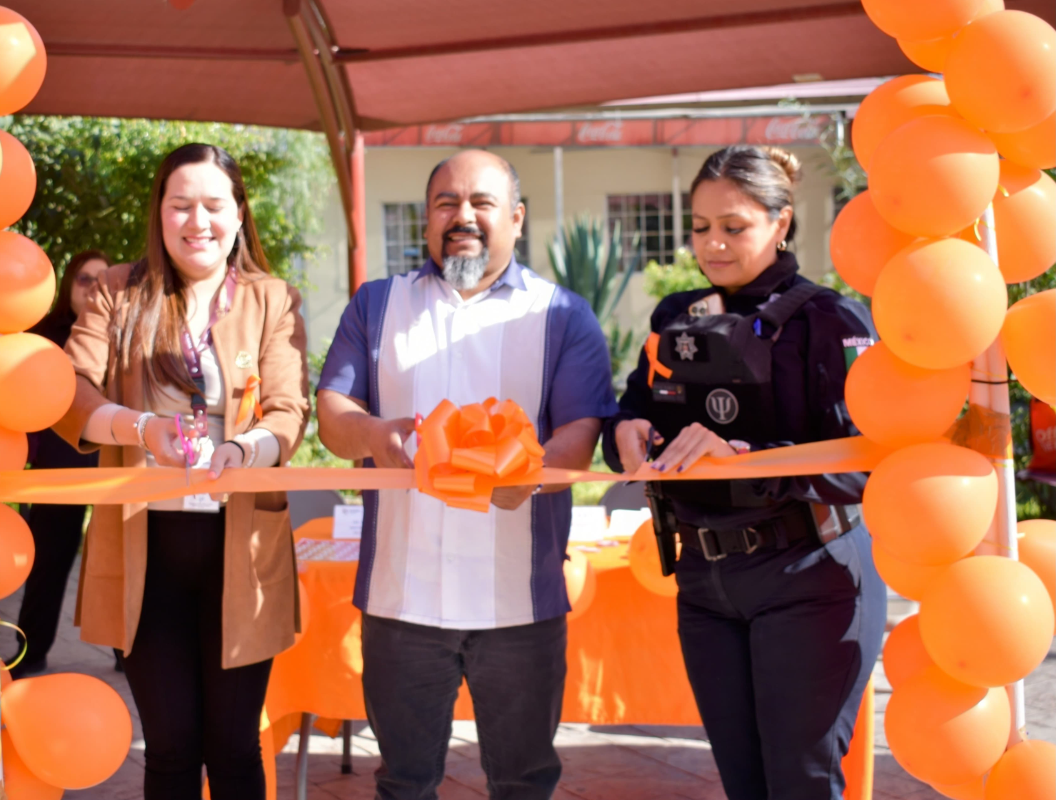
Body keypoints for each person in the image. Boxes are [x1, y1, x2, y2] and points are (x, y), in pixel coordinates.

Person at [316, 149, 617, 800]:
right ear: (426, 221)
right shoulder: (377, 305)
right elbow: (333, 414)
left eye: (481, 202)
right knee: (404, 783)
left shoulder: (563, 314)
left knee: (523, 783)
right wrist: (374, 433)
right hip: (401, 601)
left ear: (515, 217)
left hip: (520, 604)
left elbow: (580, 434)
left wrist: (531, 476)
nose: (463, 216)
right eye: (446, 203)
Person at [603, 145, 886, 800]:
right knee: (745, 786)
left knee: (801, 786)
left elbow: (867, 462)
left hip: (811, 576)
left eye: (734, 227)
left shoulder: (832, 321)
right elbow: (637, 405)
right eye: (700, 228)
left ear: (781, 223)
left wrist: (750, 457)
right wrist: (626, 429)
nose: (713, 245)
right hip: (704, 583)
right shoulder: (676, 318)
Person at [52, 144, 310, 799]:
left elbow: (287, 411)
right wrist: (142, 429)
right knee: (169, 750)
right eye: (181, 205)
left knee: (232, 748)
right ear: (160, 214)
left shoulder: (271, 298)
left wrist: (244, 450)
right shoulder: (116, 291)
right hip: (145, 551)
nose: (198, 221)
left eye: (214, 205)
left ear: (238, 213)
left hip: (243, 551)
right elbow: (68, 394)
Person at [10, 250, 113, 679]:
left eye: (103, 281)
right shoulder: (43, 337)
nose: (93, 288)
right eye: (85, 279)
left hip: (114, 467)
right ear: (69, 284)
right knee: (48, 565)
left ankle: (131, 653)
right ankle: (28, 653)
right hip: (57, 467)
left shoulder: (126, 335)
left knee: (118, 563)